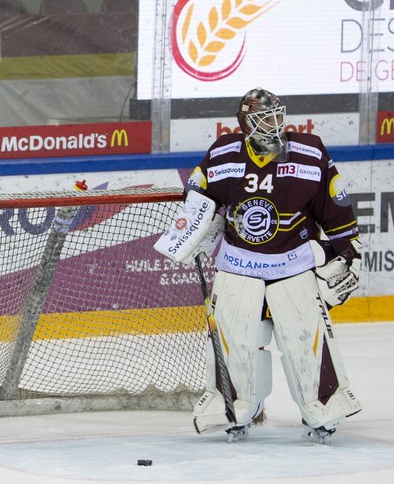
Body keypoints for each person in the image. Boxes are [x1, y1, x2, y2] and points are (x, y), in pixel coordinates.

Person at [154, 87, 362, 444]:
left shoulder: (310, 153)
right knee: (235, 342)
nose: (274, 124)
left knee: (304, 342)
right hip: (238, 266)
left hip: (293, 265)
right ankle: (237, 409)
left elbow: (336, 210)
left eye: (277, 115)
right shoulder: (222, 155)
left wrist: (349, 250)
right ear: (244, 123)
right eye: (264, 118)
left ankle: (322, 409)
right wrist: (191, 233)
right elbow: (198, 200)